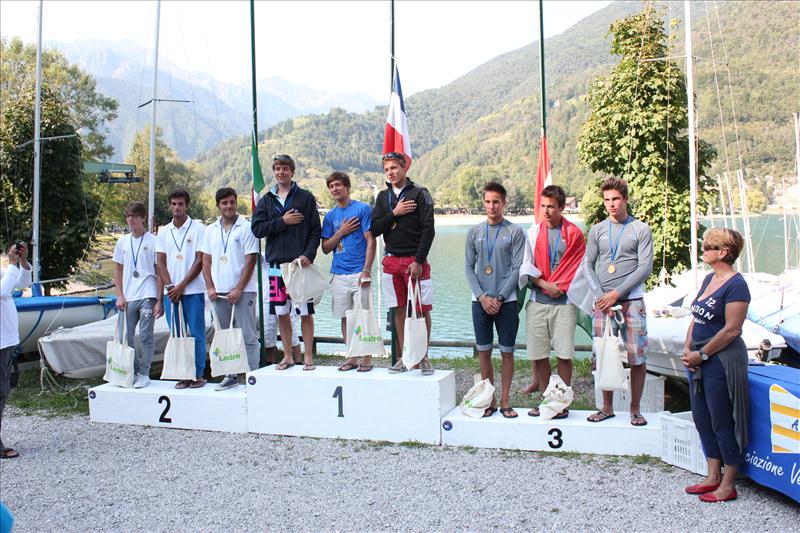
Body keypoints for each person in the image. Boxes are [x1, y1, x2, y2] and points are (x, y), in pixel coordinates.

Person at [680, 228, 750, 503]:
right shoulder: (710, 278)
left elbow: (732, 330)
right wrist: (688, 348)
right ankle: (712, 475)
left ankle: (729, 482)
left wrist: (703, 354)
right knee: (702, 417)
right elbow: (696, 317)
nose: (703, 249)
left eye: (709, 246)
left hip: (720, 360)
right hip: (697, 359)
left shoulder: (737, 286)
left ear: (723, 252)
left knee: (722, 419)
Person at [583, 177, 653, 426]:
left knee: (637, 357)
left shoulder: (640, 229)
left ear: (625, 199)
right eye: (607, 200)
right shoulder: (597, 230)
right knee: (604, 354)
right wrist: (601, 295)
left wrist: (617, 293)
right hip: (603, 304)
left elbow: (645, 267)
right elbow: (587, 265)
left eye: (615, 199)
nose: (611, 204)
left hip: (631, 302)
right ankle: (607, 407)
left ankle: (635, 409)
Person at [251, 154, 322, 371]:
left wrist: (308, 255)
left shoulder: (305, 198)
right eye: (277, 168)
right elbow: (257, 229)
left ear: (292, 171)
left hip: (300, 266)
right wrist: (282, 222)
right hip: (275, 267)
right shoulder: (266, 201)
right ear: (273, 171)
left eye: (285, 168)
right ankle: (289, 356)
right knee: (282, 313)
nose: (281, 172)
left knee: (305, 312)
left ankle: (308, 357)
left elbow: (315, 231)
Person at [520, 185, 585, 418]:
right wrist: (544, 285)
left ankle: (561, 404)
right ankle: (548, 400)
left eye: (551, 207)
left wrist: (561, 287)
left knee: (564, 354)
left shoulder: (574, 234)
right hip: (538, 300)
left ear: (561, 207)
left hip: (565, 303)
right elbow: (526, 266)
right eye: (543, 206)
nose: (546, 211)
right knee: (539, 355)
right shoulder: (533, 232)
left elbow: (579, 267)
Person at [371, 152, 436, 374]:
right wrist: (394, 213)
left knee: (421, 309)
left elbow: (429, 230)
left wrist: (419, 261)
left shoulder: (420, 193)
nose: (391, 172)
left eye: (394, 168)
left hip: (414, 261)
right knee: (398, 310)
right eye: (387, 169)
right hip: (391, 260)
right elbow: (376, 228)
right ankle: (403, 357)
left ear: (404, 167)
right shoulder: (382, 197)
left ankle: (424, 357)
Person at [464, 182, 524, 417]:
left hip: (506, 301)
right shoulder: (474, 232)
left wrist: (498, 297)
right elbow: (468, 269)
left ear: (504, 203)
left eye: (496, 202)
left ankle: (506, 401)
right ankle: (490, 400)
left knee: (507, 351)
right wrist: (482, 297)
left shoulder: (515, 232)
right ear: (483, 203)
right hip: (479, 301)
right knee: (484, 351)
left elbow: (517, 268)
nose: (491, 206)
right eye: (488, 202)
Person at [200, 188, 260, 390]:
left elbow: (251, 260)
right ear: (218, 205)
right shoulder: (210, 230)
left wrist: (239, 289)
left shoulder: (246, 227)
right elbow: (205, 262)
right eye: (224, 203)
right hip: (219, 293)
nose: (229, 206)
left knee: (248, 335)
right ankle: (231, 374)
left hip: (243, 291)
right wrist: (209, 287)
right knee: (224, 335)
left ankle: (253, 377)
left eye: (232, 202)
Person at [321, 172, 377, 372]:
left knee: (363, 315)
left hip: (359, 272)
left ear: (347, 187)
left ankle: (367, 358)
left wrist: (367, 270)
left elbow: (371, 240)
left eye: (338, 185)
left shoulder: (362, 209)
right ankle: (352, 356)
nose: (335, 189)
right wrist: (340, 232)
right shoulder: (330, 216)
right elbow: (326, 248)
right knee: (345, 317)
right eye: (332, 186)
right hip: (338, 273)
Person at [156, 189, 207, 389]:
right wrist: (170, 287)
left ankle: (198, 374)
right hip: (171, 293)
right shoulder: (163, 231)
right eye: (174, 204)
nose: (177, 207)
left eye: (181, 204)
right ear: (170, 206)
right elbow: (160, 262)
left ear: (187, 206)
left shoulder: (197, 228)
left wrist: (182, 286)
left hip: (192, 290)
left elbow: (200, 260)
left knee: (196, 333)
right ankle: (183, 374)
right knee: (177, 334)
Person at [113, 202, 163, 388]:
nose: (131, 220)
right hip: (128, 295)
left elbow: (159, 273)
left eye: (134, 216)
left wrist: (159, 300)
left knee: (145, 335)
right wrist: (119, 295)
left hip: (147, 294)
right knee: (125, 336)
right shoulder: (122, 242)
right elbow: (118, 271)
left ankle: (144, 372)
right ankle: (131, 371)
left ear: (143, 218)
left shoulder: (154, 241)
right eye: (128, 216)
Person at [0, 242, 32, 459]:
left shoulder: (5, 271)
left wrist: (22, 261)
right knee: (0, 391)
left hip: (6, 339)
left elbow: (23, 282)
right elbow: (3, 291)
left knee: (3, 390)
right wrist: (12, 263)